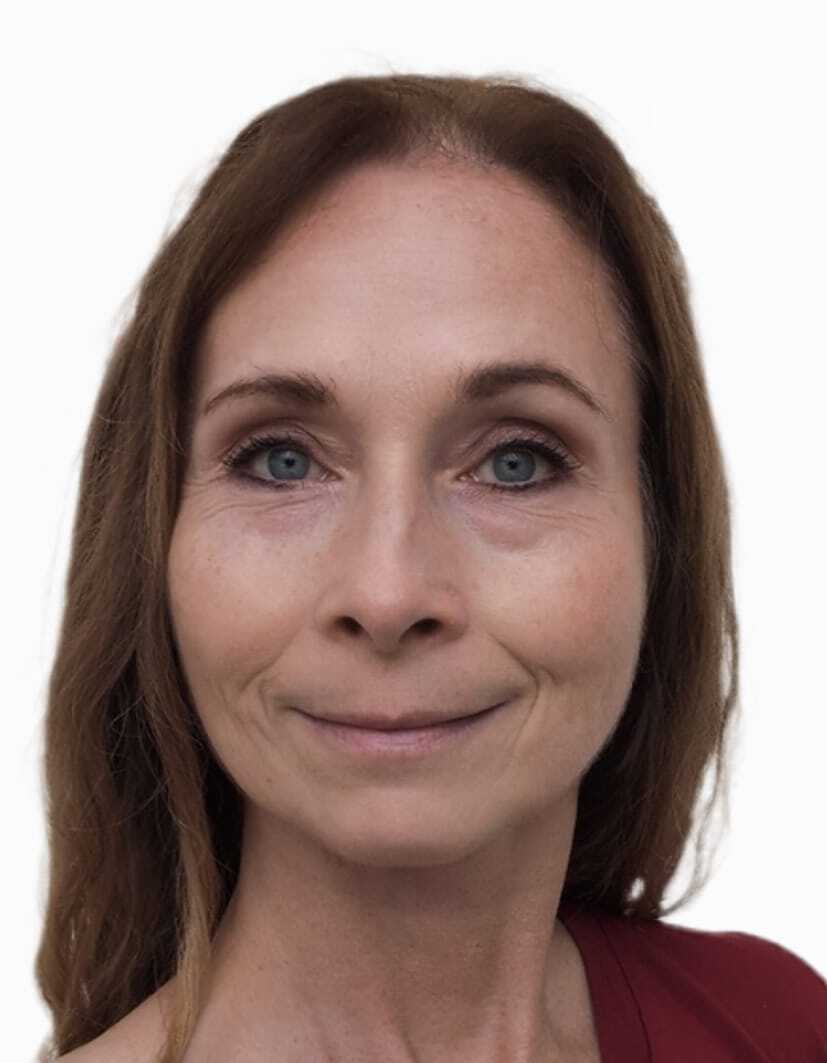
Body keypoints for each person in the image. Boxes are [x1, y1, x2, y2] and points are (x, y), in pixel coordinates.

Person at [34, 72, 826, 1063]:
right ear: (153, 542)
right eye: (280, 460)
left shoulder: (779, 1027)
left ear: (658, 533)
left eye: (516, 461)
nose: (388, 591)